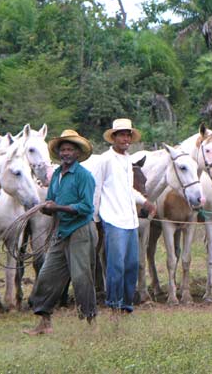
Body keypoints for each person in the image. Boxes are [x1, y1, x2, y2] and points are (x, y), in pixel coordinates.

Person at [24, 130, 98, 335]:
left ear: (77, 153)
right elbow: (52, 201)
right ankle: (44, 323)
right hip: (62, 231)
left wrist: (57, 208)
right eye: (63, 149)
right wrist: (47, 208)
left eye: (70, 149)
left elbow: (86, 207)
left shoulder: (84, 176)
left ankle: (90, 322)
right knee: (47, 275)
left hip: (81, 230)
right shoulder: (56, 175)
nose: (66, 153)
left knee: (82, 276)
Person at [92, 118, 156, 314]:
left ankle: (126, 305)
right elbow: (97, 188)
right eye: (121, 135)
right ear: (114, 138)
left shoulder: (128, 161)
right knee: (116, 265)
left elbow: (128, 189)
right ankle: (114, 304)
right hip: (112, 219)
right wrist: (95, 217)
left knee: (132, 265)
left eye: (128, 135)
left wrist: (143, 201)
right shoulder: (105, 160)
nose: (125, 139)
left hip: (130, 219)